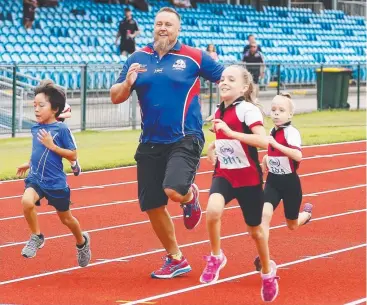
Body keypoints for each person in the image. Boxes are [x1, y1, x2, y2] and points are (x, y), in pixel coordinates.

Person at [110, 7, 224, 279]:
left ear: (177, 29)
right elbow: (115, 96)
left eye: (169, 24)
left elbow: (228, 78)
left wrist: (224, 111)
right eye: (159, 23)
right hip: (150, 140)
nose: (163, 28)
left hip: (186, 136)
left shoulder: (195, 57)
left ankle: (190, 197)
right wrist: (127, 83)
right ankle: (176, 258)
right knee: (152, 205)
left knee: (173, 190)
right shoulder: (138, 58)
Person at [200, 65, 279, 302]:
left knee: (255, 231)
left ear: (244, 87)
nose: (223, 82)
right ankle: (216, 256)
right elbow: (224, 138)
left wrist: (232, 134)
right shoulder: (218, 110)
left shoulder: (248, 110)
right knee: (213, 211)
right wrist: (213, 147)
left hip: (248, 179)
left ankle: (267, 271)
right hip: (224, 174)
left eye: (231, 80)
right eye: (222, 79)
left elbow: (264, 141)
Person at [16, 81, 91, 267]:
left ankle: (82, 242)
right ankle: (37, 236)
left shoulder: (62, 130)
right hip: (36, 179)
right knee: (26, 202)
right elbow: (38, 152)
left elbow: (72, 154)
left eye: (41, 105)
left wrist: (53, 146)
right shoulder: (35, 129)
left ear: (55, 108)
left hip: (55, 183)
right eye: (34, 105)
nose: (36, 109)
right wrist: (29, 163)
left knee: (66, 219)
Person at [253, 93, 313, 272]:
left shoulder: (291, 133)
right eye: (273, 110)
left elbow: (298, 155)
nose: (276, 114)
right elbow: (274, 152)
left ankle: (307, 215)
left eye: (281, 110)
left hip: (289, 185)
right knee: (264, 216)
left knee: (292, 225)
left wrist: (276, 146)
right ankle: (264, 256)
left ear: (290, 115)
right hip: (273, 182)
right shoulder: (273, 131)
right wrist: (266, 159)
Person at [56, 101, 82, 176]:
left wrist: (58, 115)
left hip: (59, 128)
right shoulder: (44, 103)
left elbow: (68, 114)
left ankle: (74, 164)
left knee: (68, 148)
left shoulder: (61, 102)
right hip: (48, 129)